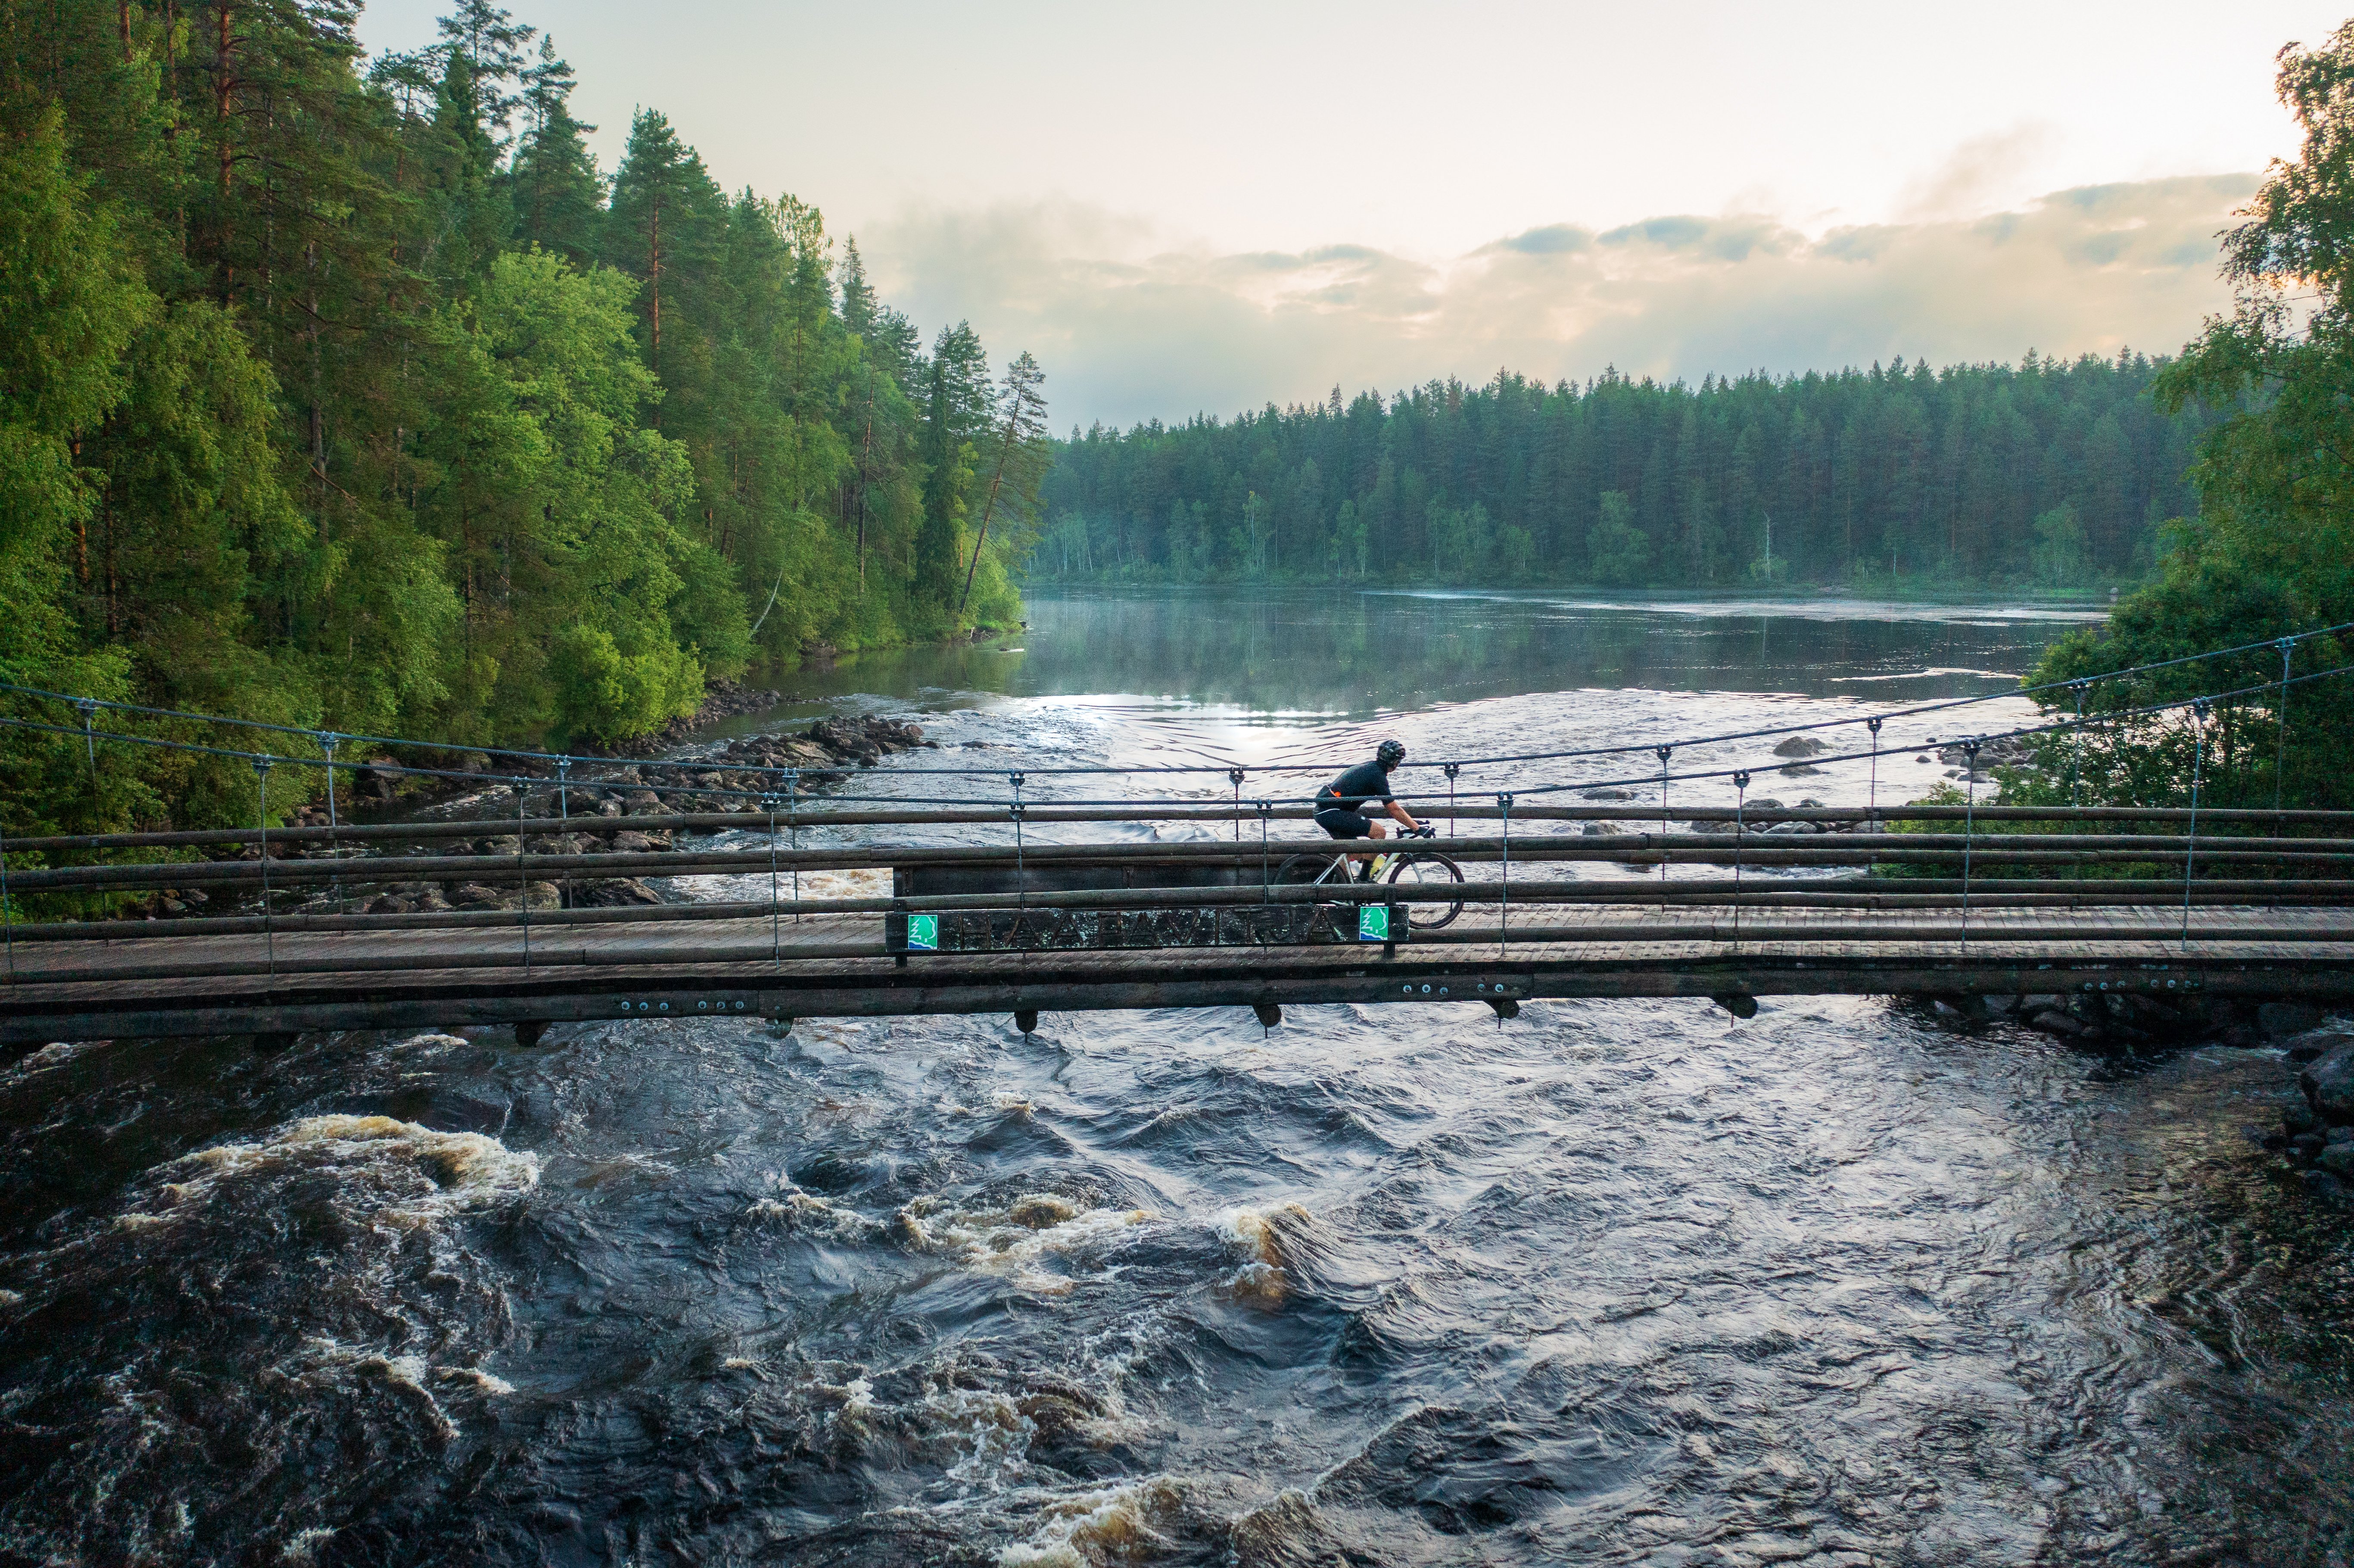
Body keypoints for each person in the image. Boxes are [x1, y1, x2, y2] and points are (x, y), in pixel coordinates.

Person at [1314, 739, 1422, 880]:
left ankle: (1335, 886)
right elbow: (1393, 808)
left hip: (1325, 811)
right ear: (1395, 763)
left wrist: (1411, 823)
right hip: (1332, 812)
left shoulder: (1371, 767)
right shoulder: (1378, 776)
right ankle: (1364, 880)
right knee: (1379, 833)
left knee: (1355, 852)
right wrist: (1416, 827)